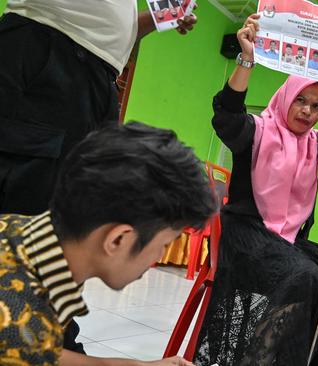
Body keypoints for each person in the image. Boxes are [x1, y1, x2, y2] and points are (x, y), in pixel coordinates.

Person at [0, 2, 197, 354]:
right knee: (31, 222)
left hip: (95, 78)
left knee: (66, 228)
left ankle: (50, 331)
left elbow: (110, 32)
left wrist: (154, 20)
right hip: (47, 55)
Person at [192, 13, 318, 366]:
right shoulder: (256, 132)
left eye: (316, 105)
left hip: (283, 241)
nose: (307, 111)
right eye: (300, 101)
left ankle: (295, 355)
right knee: (301, 273)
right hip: (246, 236)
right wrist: (246, 58)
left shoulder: (313, 146)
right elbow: (225, 117)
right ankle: (261, 358)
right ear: (285, 98)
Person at [0, 122, 216, 366]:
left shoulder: (17, 229)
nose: (160, 255)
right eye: (165, 243)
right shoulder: (19, 322)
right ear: (118, 239)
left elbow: (41, 351)